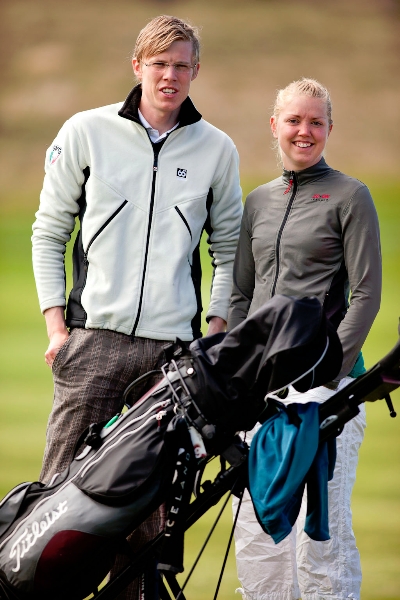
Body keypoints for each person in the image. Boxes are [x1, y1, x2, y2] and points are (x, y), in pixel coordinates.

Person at [32, 14, 243, 599]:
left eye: (181, 66)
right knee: (59, 508)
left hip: (171, 355)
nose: (170, 76)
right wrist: (57, 328)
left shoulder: (216, 148)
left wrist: (214, 333)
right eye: (159, 64)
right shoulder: (87, 131)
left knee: (150, 523)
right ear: (137, 66)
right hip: (92, 342)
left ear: (196, 70)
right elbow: (49, 231)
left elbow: (229, 250)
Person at [228, 78, 381, 600]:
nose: (304, 131)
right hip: (259, 396)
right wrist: (234, 372)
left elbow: (366, 294)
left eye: (316, 122)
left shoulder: (350, 196)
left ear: (330, 129)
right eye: (294, 120)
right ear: (275, 125)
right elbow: (241, 294)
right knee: (258, 538)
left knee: (321, 541)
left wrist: (329, 374)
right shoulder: (257, 201)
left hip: (325, 394)